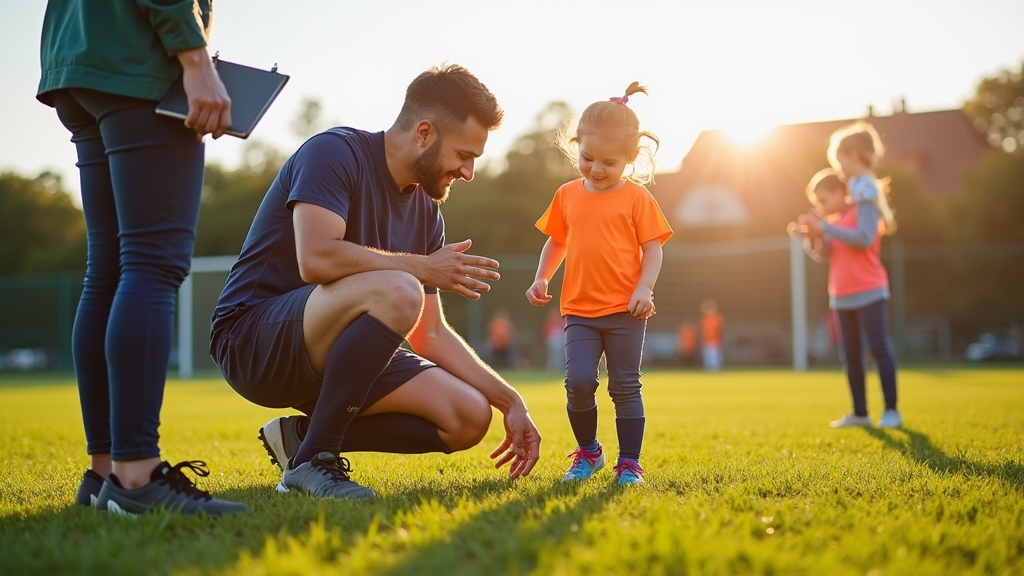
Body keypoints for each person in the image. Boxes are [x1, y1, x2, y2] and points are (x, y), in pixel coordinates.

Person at [210, 64, 541, 500]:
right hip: (253, 340)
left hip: (335, 352)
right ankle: (314, 462)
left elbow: (432, 333)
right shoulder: (334, 153)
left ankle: (303, 440)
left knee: (468, 416)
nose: (468, 172)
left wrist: (510, 400)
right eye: (464, 155)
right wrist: (421, 268)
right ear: (424, 133)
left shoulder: (426, 212)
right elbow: (316, 257)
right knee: (400, 286)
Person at [37, 1, 246, 515]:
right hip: (136, 63)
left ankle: (104, 473)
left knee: (106, 272)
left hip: (79, 61)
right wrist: (196, 61)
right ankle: (136, 480)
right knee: (152, 265)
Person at [526, 82, 673, 485]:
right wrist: (541, 277)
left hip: (627, 310)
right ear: (576, 144)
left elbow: (654, 249)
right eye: (588, 158)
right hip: (579, 311)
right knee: (578, 382)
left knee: (625, 385)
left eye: (609, 162)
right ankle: (588, 453)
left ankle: (629, 463)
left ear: (630, 158)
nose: (596, 169)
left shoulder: (637, 199)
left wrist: (644, 288)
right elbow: (557, 241)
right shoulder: (567, 194)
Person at [792, 122, 900, 429]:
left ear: (852, 155)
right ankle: (860, 413)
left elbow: (865, 237)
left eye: (840, 161)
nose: (839, 170)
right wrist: (813, 234)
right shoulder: (844, 206)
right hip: (842, 293)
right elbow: (825, 253)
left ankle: (891, 410)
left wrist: (826, 227)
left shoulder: (864, 193)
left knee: (878, 348)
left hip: (869, 288)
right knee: (850, 354)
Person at [699, 299, 725, 372]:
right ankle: (708, 370)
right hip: (707, 340)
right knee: (708, 356)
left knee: (716, 356)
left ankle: (716, 370)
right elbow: (703, 331)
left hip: (716, 340)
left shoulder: (718, 317)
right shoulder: (704, 319)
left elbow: (721, 330)